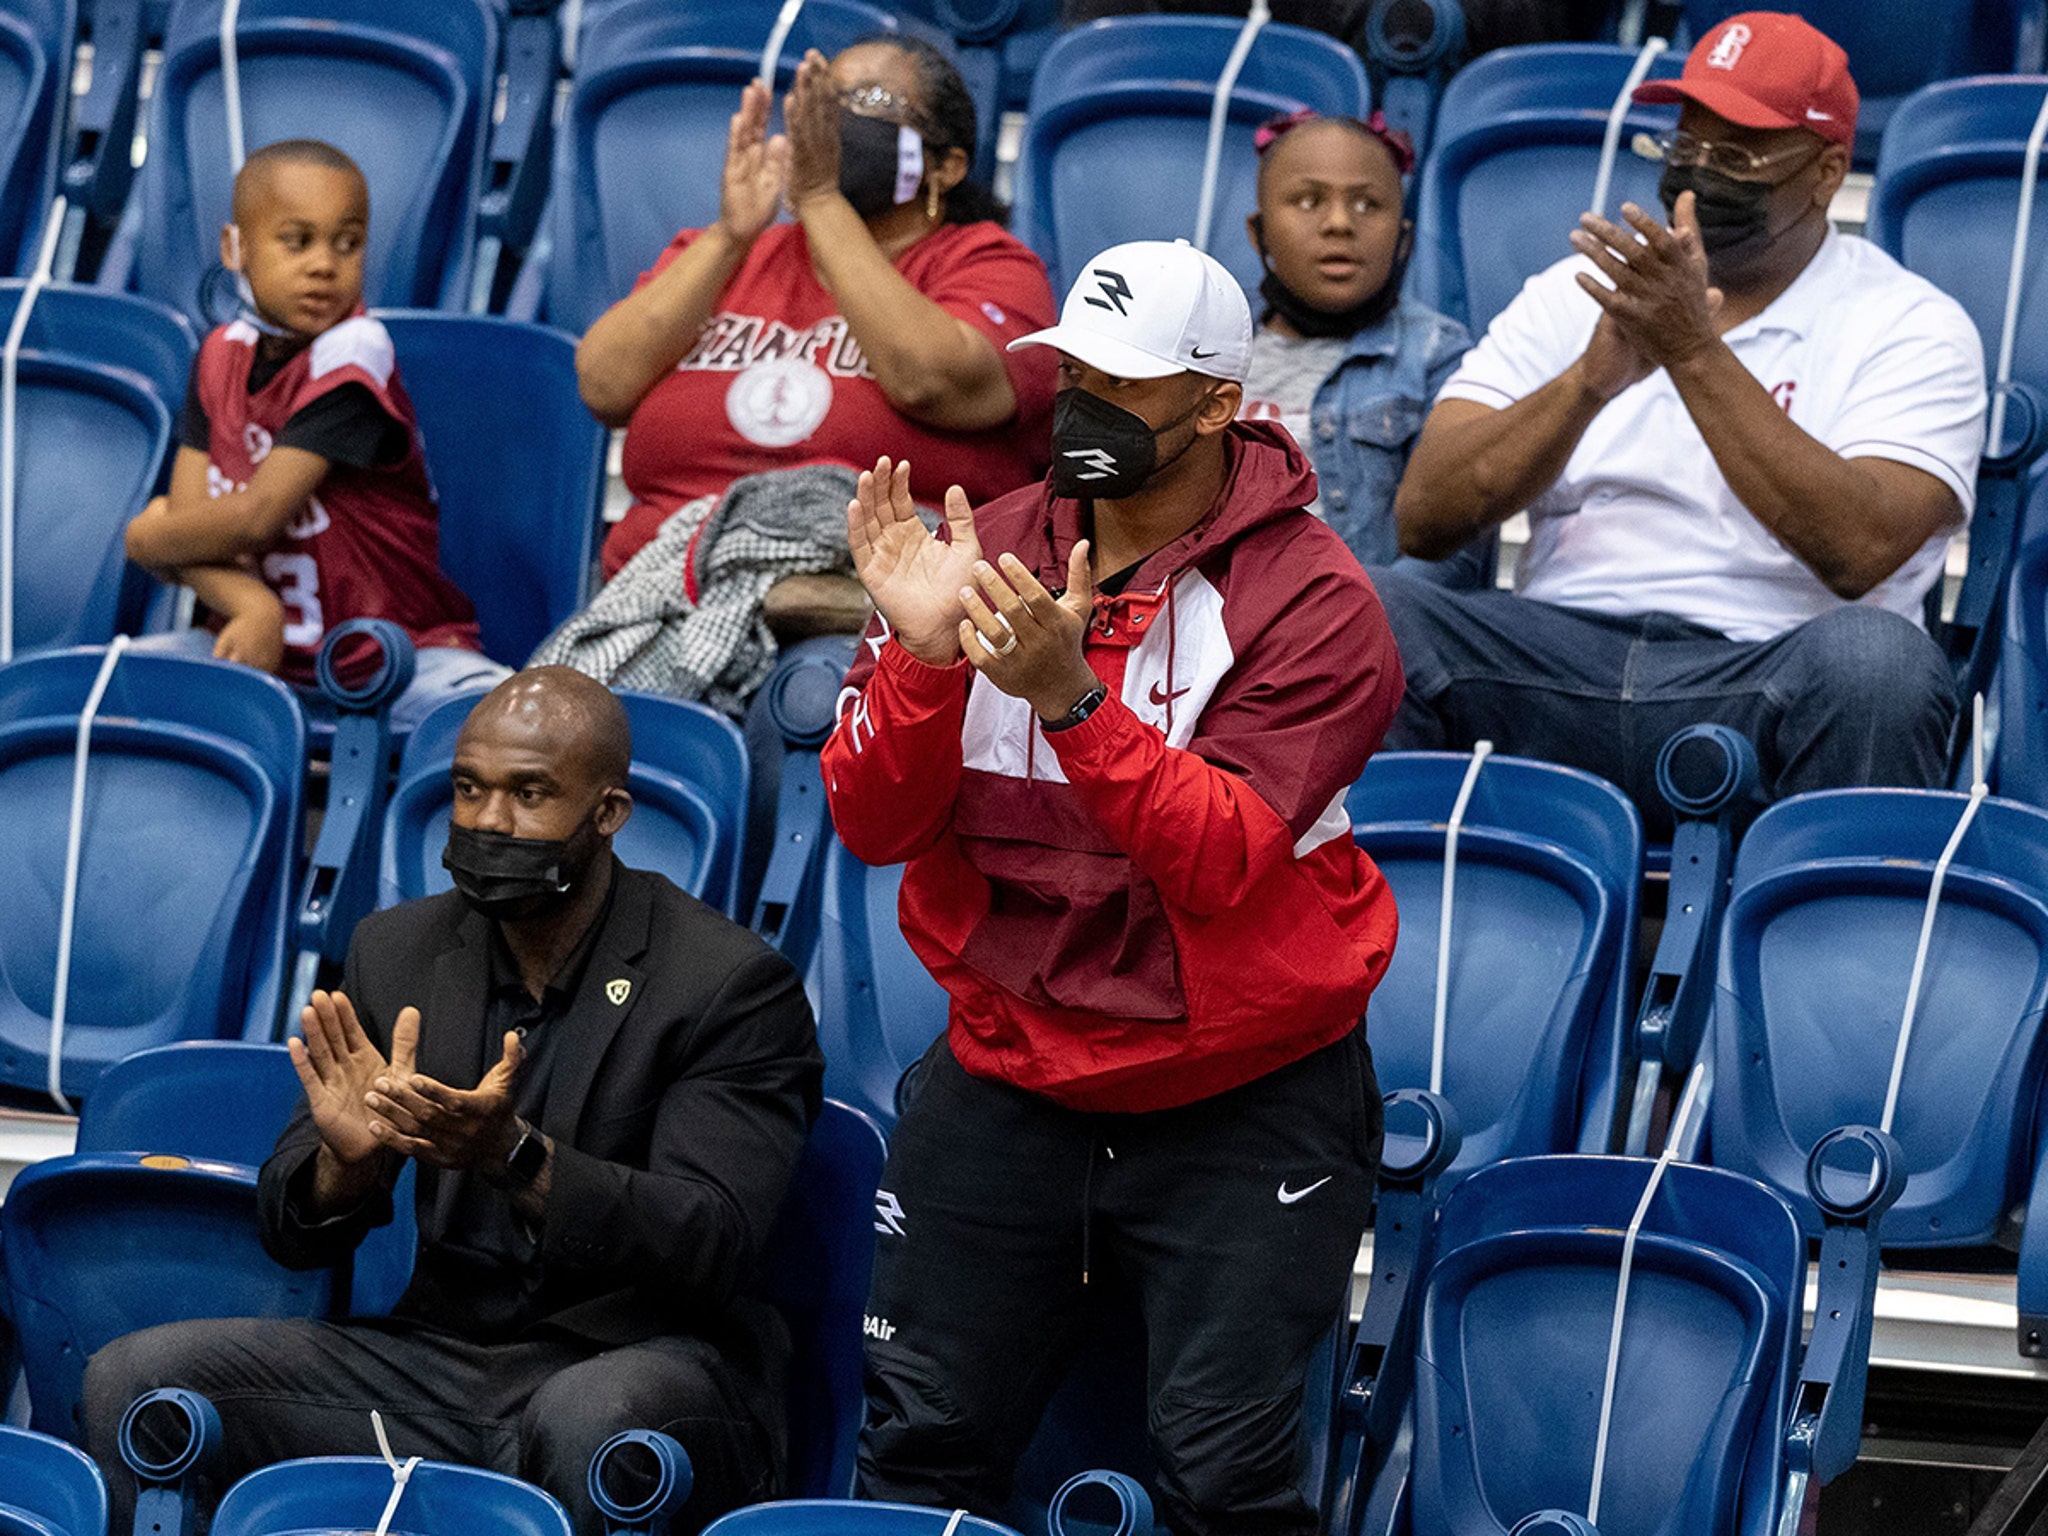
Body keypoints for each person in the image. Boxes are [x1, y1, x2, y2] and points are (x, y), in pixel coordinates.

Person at [822, 239, 1403, 1535]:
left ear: (1216, 404)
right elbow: (873, 822)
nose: (1080, 408)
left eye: (1123, 387)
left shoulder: (1314, 601)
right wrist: (919, 665)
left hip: (1240, 1093)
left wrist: (1069, 700)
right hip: (1009, 1071)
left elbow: (1219, 862)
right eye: (1070, 372)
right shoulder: (985, 548)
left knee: (1225, 1481)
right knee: (917, 1445)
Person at [83, 668, 824, 1536]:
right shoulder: (397, 951)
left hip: (645, 1366)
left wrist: (517, 1159)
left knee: (592, 1417)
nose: (487, 821)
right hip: (437, 1365)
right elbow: (293, 1231)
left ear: (609, 815)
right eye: (468, 789)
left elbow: (712, 1243)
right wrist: (344, 1169)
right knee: (138, 1379)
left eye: (529, 793)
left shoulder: (727, 984)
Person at [1382, 12, 1986, 828]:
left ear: (1827, 171)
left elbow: (1860, 550)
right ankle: (1372, 940)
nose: (1700, 175)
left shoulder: (1911, 322)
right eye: (1687, 147)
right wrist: (1589, 383)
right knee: (1365, 613)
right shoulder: (1577, 289)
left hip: (1762, 671)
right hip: (1555, 660)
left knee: (1879, 663)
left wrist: (1691, 349)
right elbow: (1424, 519)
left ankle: (1827, 949)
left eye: (1737, 155)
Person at [576, 36, 1058, 585]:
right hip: (660, 586)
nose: (833, 119)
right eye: (824, 98)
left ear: (945, 167)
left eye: (869, 100)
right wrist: (730, 237)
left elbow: (934, 384)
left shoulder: (987, 263)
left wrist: (821, 200)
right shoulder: (729, 254)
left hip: (865, 609)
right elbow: (603, 385)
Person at [123, 138, 505, 729]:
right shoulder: (219, 355)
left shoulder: (356, 353)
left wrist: (147, 539)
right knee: (99, 698)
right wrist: (250, 604)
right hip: (255, 649)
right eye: (297, 242)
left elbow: (248, 521)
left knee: (511, 726)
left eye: (347, 243)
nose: (324, 265)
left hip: (391, 660)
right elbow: (195, 533)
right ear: (235, 248)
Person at [1237, 107, 1479, 580]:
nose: (1340, 224)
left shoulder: (1437, 357)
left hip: (1358, 626)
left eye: (1368, 205)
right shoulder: (1208, 343)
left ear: (1404, 240)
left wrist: (1351, 620)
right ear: (1259, 233)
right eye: (1308, 201)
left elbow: (1453, 556)